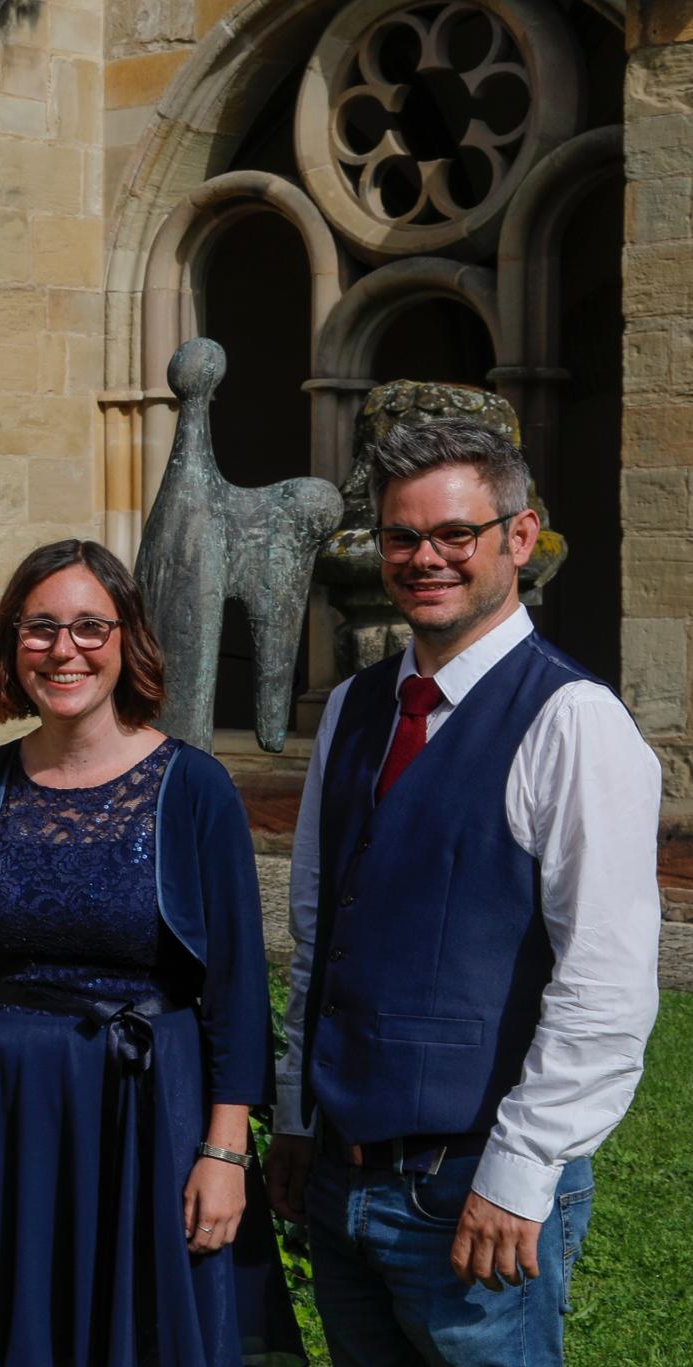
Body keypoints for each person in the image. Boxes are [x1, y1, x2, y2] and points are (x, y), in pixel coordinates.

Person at [268, 418, 661, 1366]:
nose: (425, 558)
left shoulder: (574, 721)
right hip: (340, 1173)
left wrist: (519, 1174)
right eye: (402, 537)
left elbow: (605, 986)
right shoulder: (357, 709)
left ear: (517, 539)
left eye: (456, 534)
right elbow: (320, 934)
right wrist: (293, 1117)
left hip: (473, 1184)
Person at [0, 539, 302, 1366]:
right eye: (39, 627)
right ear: (13, 644)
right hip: (2, 1109)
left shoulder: (194, 790)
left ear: (128, 640)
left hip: (149, 1108)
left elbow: (237, 990)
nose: (64, 649)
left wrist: (225, 1152)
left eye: (89, 626)